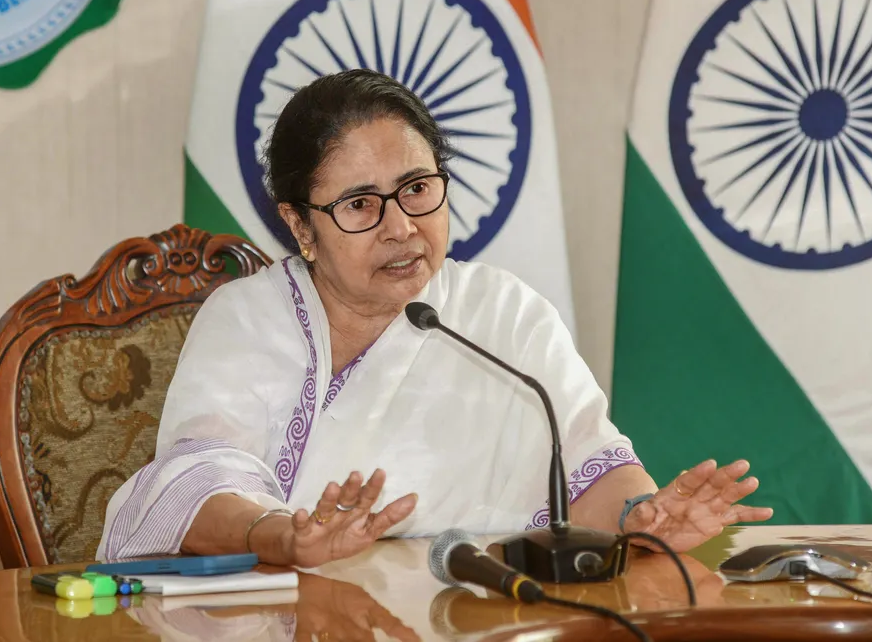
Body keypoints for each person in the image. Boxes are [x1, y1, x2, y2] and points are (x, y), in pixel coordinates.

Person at [97, 69, 771, 567]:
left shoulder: (501, 313)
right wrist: (285, 536)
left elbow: (590, 468)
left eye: (418, 190)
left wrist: (641, 517)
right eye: (361, 205)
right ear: (300, 226)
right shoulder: (247, 320)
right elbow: (196, 487)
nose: (401, 227)